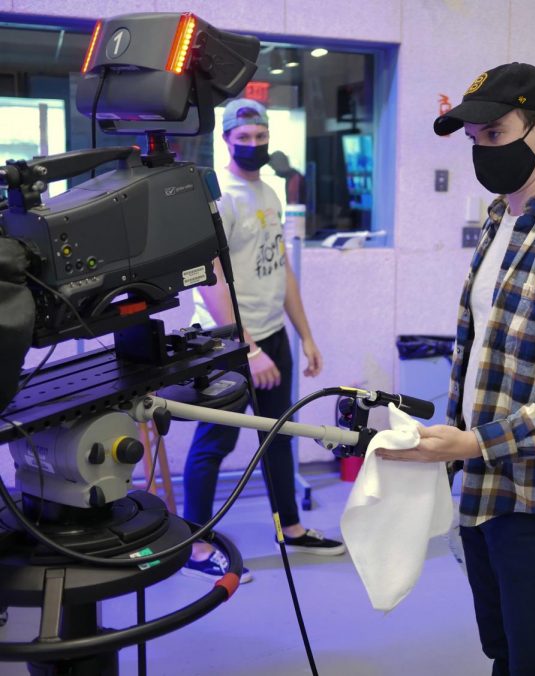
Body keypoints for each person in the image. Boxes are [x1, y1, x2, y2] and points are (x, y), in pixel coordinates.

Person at [377, 63, 535, 675]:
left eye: (494, 135)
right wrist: (458, 449)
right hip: (486, 485)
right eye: (474, 142)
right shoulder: (500, 221)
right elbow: (485, 356)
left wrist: (470, 442)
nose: (482, 153)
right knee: (505, 653)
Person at [183, 99, 345, 583]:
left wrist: (306, 335)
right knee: (215, 439)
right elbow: (209, 280)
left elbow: (282, 269)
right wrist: (246, 348)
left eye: (260, 137)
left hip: (272, 335)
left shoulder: (269, 193)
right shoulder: (218, 198)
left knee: (278, 435)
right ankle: (195, 548)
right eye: (244, 138)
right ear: (227, 139)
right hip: (227, 342)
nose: (253, 146)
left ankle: (289, 528)